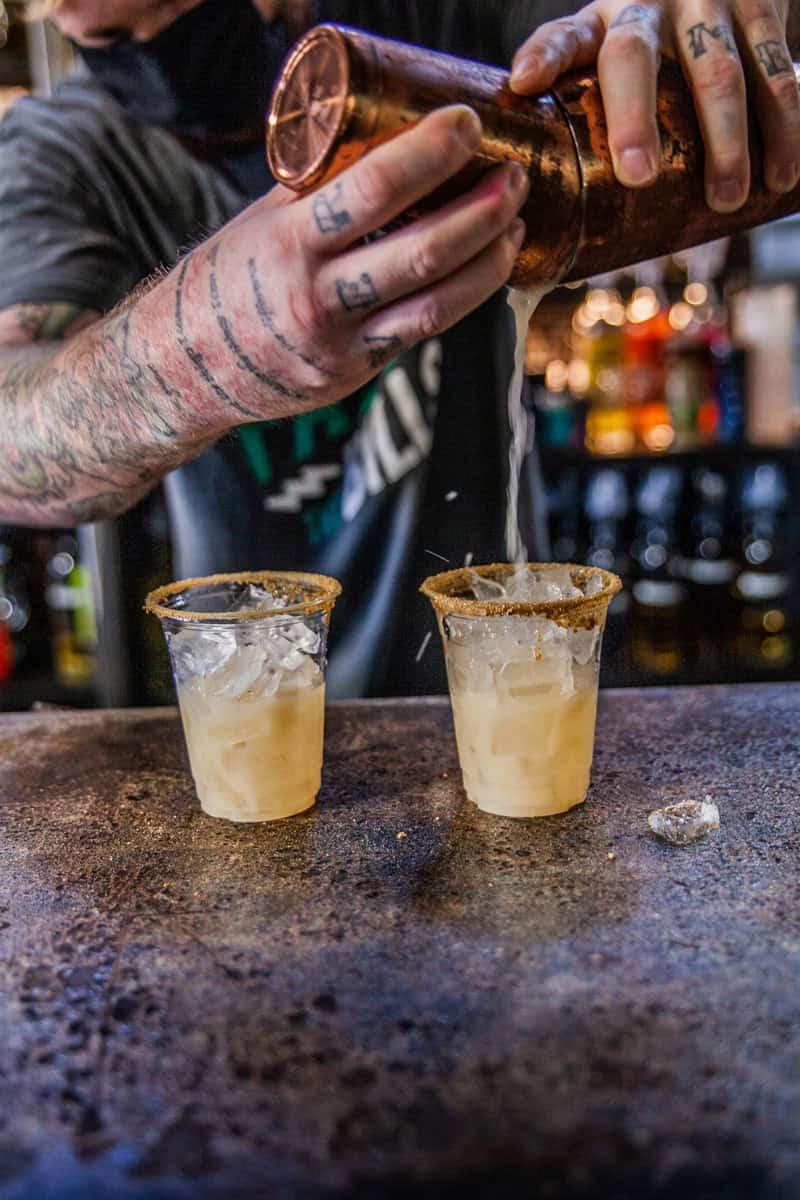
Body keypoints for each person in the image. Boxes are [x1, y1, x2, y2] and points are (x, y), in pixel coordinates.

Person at [0, 0, 796, 697]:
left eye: (173, 6)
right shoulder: (63, 149)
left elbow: (612, 26)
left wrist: (657, 20)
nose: (149, 42)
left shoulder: (433, 35)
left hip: (499, 673)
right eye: (105, 31)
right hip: (253, 705)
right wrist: (190, 353)